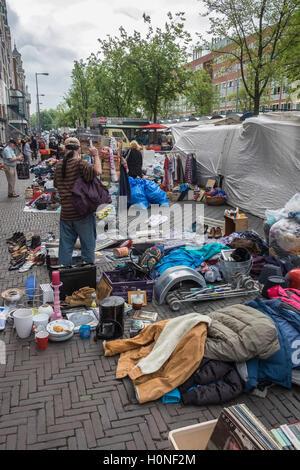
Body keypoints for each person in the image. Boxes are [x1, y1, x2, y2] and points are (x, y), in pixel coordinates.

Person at [53, 137, 102, 266]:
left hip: (66, 214)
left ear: (65, 149)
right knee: (88, 245)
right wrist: (96, 155)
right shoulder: (80, 163)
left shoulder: (59, 165)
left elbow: (57, 185)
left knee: (65, 247)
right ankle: (86, 274)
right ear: (79, 149)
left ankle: (64, 275)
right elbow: (98, 171)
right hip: (82, 214)